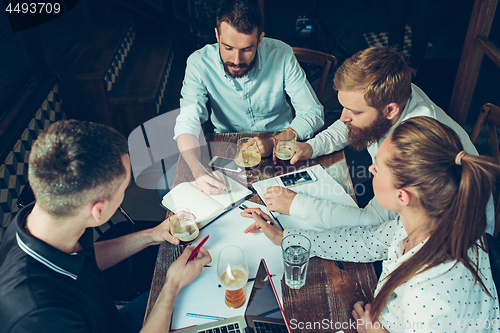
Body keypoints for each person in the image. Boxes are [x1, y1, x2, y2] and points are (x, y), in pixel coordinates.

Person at [243, 117, 500, 332]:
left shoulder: (432, 301)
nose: (371, 168)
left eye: (377, 169)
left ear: (402, 196)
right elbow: (365, 241)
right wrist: (286, 237)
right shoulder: (429, 219)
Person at [0, 120, 211, 333]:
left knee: (205, 284)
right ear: (98, 212)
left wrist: (151, 235)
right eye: (123, 191)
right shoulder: (39, 317)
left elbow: (85, 257)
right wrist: (171, 286)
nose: (123, 195)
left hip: (109, 321)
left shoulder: (44, 216)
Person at [263, 46, 495, 234]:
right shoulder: (395, 93)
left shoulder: (413, 144)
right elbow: (354, 124)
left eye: (354, 111)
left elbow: (373, 223)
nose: (343, 117)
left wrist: (296, 205)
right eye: (343, 106)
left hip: (449, 238)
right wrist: (312, 146)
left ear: (390, 110)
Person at [174, 0, 324, 195]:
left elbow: (313, 112)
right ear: (217, 35)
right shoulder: (198, 63)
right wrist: (198, 170)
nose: (236, 60)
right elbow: (188, 122)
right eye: (228, 48)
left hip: (282, 148)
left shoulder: (282, 54)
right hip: (227, 149)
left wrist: (273, 141)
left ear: (260, 40)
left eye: (246, 49)